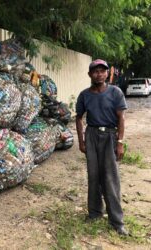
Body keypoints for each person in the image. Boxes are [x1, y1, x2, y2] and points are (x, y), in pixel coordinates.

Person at [75, 59, 129, 235]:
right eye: (95, 71)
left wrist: (119, 142)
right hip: (91, 135)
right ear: (90, 74)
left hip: (109, 137)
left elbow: (121, 118)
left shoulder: (115, 92)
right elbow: (78, 118)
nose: (99, 74)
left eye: (102, 71)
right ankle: (95, 213)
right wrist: (81, 141)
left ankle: (117, 221)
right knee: (93, 176)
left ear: (107, 74)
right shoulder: (85, 95)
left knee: (110, 178)